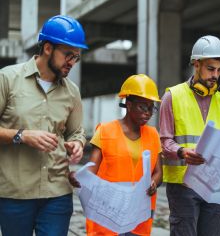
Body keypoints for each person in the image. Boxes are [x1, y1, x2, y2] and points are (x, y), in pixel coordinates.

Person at [0, 15, 88, 236]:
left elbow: (76, 132)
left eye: (76, 57)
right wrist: (21, 135)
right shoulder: (7, 79)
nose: (72, 62)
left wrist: (76, 144)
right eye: (68, 55)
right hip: (14, 194)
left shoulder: (72, 92)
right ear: (48, 48)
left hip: (57, 194)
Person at [160, 35, 220, 236]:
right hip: (183, 185)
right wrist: (182, 152)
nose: (215, 75)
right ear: (196, 64)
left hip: (213, 185)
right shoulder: (172, 97)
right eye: (211, 69)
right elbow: (165, 142)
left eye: (219, 70)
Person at [69, 74, 163, 235]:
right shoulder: (105, 131)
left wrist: (153, 183)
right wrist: (80, 177)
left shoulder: (153, 134)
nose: (148, 113)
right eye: (143, 107)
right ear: (129, 104)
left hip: (138, 213)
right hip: (109, 211)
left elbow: (159, 172)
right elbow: (92, 169)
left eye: (151, 108)